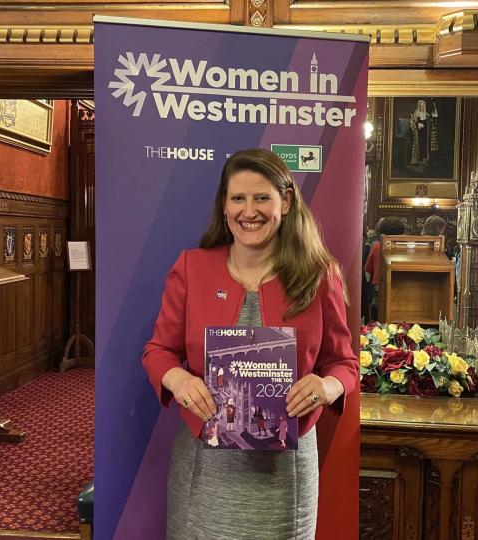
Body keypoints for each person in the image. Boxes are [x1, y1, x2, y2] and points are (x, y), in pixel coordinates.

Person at [142, 148, 358, 540]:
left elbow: (344, 363)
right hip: (204, 470)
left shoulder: (319, 274)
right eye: (238, 198)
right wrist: (181, 382)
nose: (249, 210)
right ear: (224, 205)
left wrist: (327, 387)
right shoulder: (191, 267)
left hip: (284, 474)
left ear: (286, 201)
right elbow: (158, 351)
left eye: (262, 198)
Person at [363, 217, 408, 321]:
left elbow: (367, 267)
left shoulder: (377, 246)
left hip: (378, 284)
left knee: (378, 315)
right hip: (399, 284)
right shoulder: (403, 247)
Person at [408, 99, 439, 165]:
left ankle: (424, 160)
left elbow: (431, 122)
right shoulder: (414, 114)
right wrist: (417, 125)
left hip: (425, 134)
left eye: (423, 106)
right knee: (418, 146)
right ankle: (417, 161)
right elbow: (411, 124)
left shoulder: (427, 114)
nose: (421, 107)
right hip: (417, 134)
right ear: (418, 106)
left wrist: (434, 117)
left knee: (424, 146)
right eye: (420, 106)